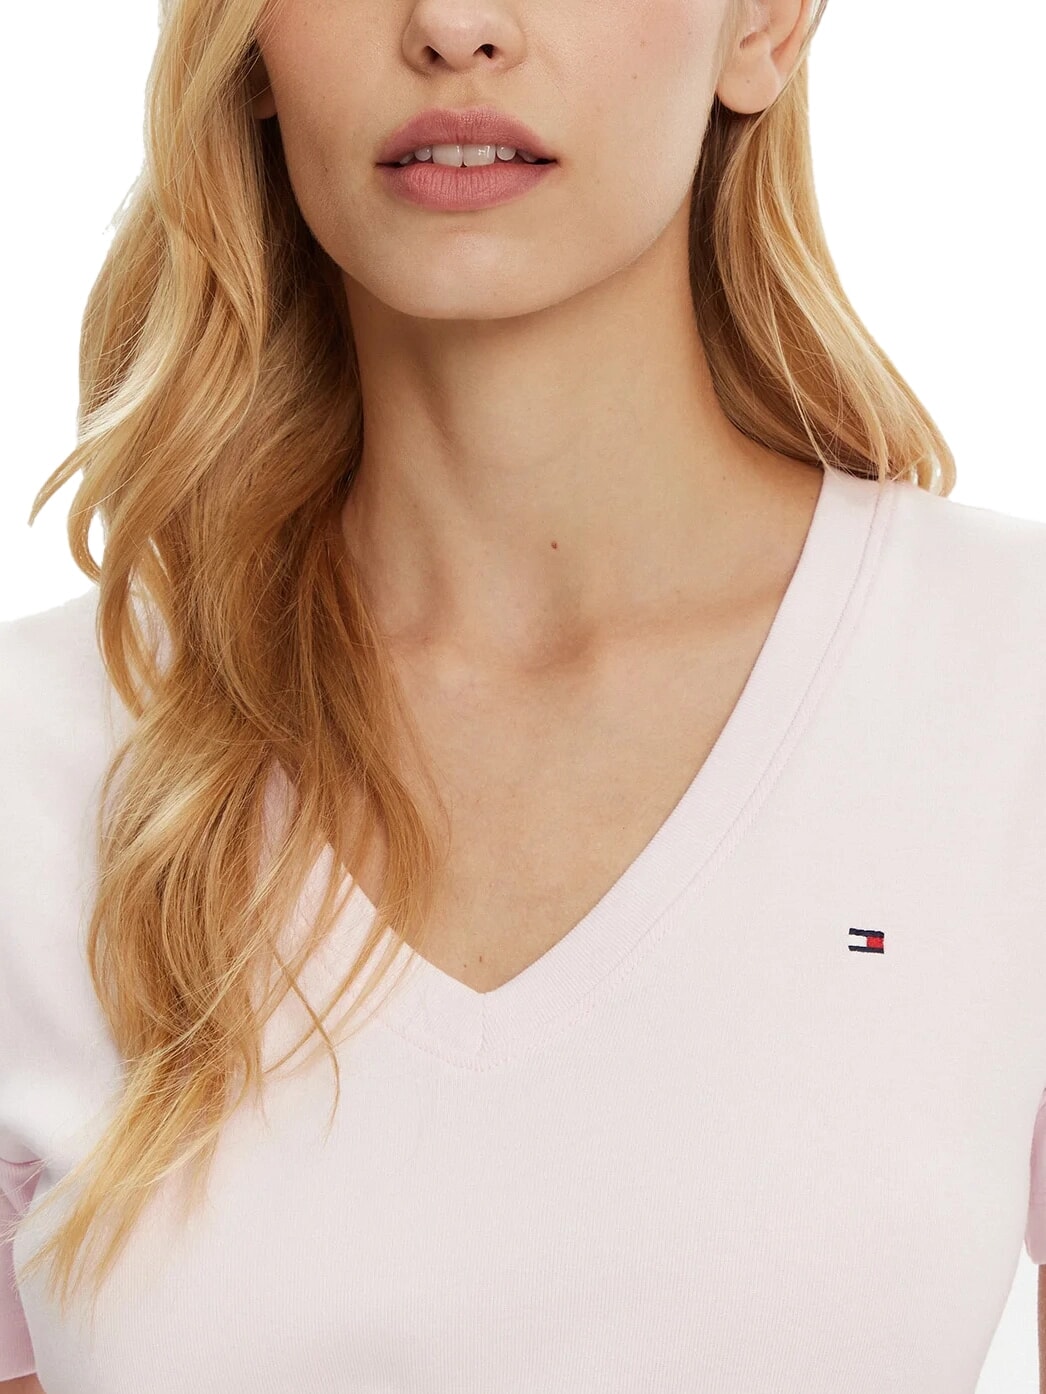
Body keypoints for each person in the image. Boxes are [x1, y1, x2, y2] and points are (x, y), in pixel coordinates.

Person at [3, 0, 1045, 1390]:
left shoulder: (1010, 682)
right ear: (247, 46)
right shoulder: (34, 763)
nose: (455, 26)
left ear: (763, 25)